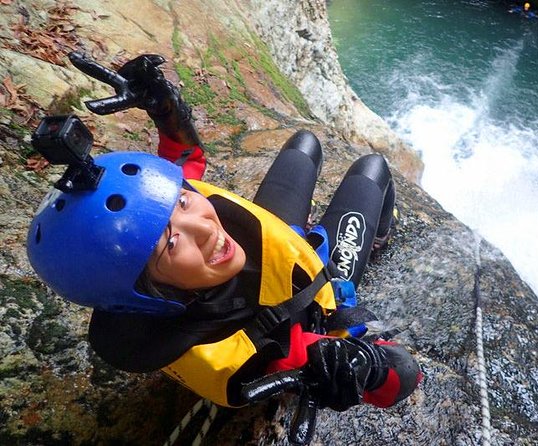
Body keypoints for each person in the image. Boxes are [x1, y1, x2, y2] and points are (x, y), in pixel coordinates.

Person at [27, 53, 422, 444]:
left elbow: (185, 163)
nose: (205, 226)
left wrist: (168, 113)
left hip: (275, 250)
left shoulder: (139, 269)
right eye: (171, 242)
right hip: (302, 296)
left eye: (181, 202)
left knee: (305, 143)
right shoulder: (265, 351)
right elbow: (403, 377)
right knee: (373, 168)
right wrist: (364, 365)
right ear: (148, 293)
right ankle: (381, 235)